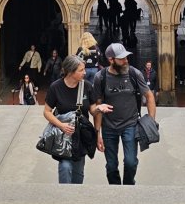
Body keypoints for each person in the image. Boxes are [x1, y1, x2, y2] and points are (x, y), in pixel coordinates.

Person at [91, 42, 156, 185]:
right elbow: (98, 106)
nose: (126, 60)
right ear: (111, 60)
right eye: (121, 58)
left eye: (126, 57)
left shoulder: (134, 74)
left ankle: (128, 186)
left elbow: (149, 96)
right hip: (109, 127)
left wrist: (151, 121)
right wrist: (97, 134)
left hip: (130, 125)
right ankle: (115, 189)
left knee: (131, 162)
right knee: (111, 165)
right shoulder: (100, 77)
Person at [44, 56, 93, 184]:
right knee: (65, 167)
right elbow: (47, 112)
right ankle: (64, 194)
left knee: (78, 172)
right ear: (70, 72)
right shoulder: (56, 87)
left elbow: (92, 109)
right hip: (64, 136)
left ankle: (75, 194)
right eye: (81, 70)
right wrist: (61, 125)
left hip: (81, 136)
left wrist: (99, 108)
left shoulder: (87, 86)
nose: (85, 72)